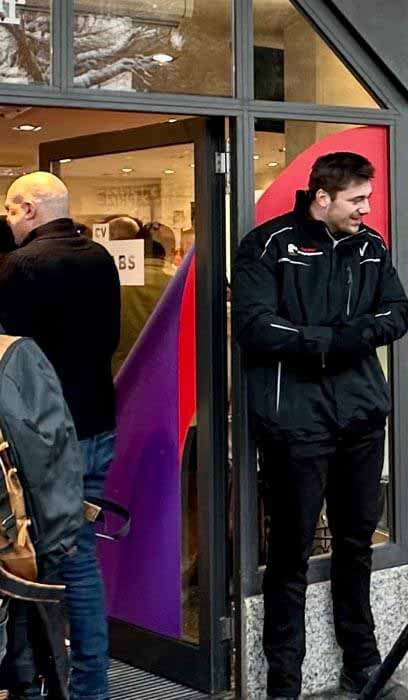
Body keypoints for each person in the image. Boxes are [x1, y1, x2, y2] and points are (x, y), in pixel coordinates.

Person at [231, 152, 408, 699]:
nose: (367, 208)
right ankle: (283, 681)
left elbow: (398, 313)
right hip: (295, 425)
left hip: (360, 417)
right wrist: (332, 340)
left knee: (356, 543)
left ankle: (363, 661)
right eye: (357, 199)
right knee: (289, 553)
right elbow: (256, 327)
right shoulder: (267, 245)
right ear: (323, 196)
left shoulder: (371, 245)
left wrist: (330, 336)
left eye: (368, 198)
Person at [0, 172, 120, 699]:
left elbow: (11, 360)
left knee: (53, 556)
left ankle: (82, 687)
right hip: (96, 423)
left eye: (9, 208)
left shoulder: (23, 266)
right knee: (72, 549)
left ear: (30, 209)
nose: (6, 218)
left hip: (43, 439)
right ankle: (73, 680)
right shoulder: (99, 259)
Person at [112, 228, 175, 375]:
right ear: (165, 253)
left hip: (124, 374)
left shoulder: (119, 285)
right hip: (166, 372)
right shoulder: (175, 284)